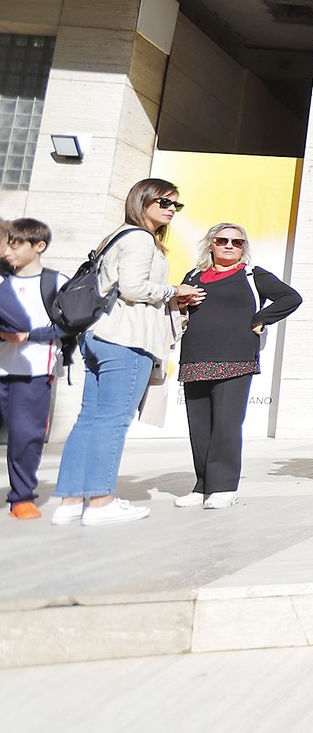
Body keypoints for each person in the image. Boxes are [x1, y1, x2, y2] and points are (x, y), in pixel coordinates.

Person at [51, 179, 204, 526]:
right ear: (142, 200)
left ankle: (72, 500)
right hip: (127, 338)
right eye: (164, 201)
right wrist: (173, 290)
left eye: (175, 205)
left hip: (99, 335)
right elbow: (133, 288)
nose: (170, 209)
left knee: (89, 419)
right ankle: (102, 501)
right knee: (113, 421)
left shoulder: (117, 236)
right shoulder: (139, 238)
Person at [174, 222, 302, 509]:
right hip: (195, 358)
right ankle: (202, 485)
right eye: (222, 240)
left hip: (236, 359)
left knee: (226, 424)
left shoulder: (253, 275)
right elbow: (178, 309)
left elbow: (291, 298)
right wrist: (182, 300)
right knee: (200, 426)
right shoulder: (193, 276)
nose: (230, 246)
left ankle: (224, 487)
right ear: (211, 244)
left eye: (237, 242)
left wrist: (261, 318)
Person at [2, 218, 66, 520]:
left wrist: (31, 335)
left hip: (35, 371)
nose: (8, 251)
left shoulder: (56, 282)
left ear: (38, 246)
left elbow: (70, 326)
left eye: (15, 244)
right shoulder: (2, 280)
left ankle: (21, 497)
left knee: (24, 436)